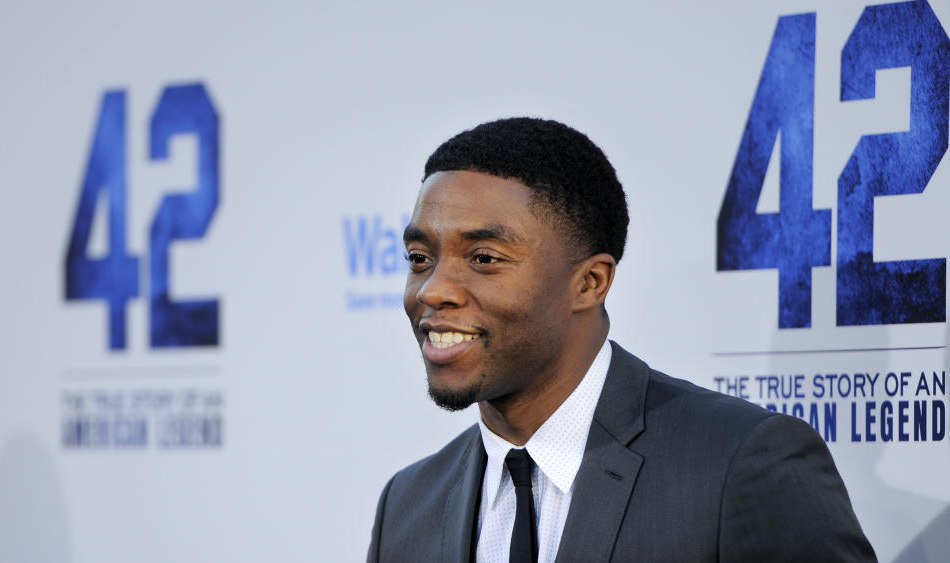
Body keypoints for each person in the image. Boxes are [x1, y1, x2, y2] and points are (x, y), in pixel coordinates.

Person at [367, 117, 875, 562]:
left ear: (590, 283)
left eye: (484, 258)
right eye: (420, 258)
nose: (433, 290)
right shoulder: (408, 505)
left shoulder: (741, 468)